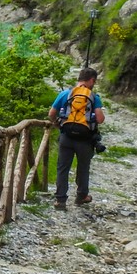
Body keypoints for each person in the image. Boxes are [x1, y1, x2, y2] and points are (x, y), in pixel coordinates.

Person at [48, 67, 106, 209]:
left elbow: (51, 113)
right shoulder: (94, 97)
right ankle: (81, 197)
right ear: (92, 80)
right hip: (85, 139)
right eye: (94, 81)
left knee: (62, 167)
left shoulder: (65, 94)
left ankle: (60, 200)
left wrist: (58, 124)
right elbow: (100, 119)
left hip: (66, 136)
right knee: (83, 167)